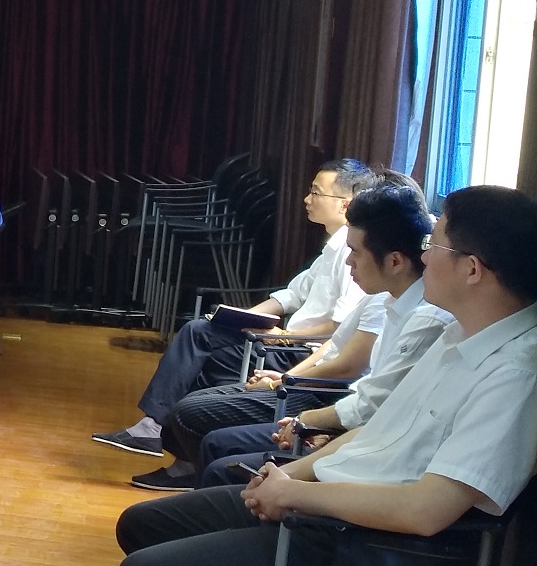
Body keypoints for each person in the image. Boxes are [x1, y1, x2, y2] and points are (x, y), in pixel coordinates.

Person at [114, 185, 537, 566]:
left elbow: (427, 511)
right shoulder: (462, 335)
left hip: (380, 557)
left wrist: (297, 498)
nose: (424, 254)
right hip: (337, 515)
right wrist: (293, 476)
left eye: (435, 243)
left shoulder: (516, 373)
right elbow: (374, 433)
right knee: (145, 525)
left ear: (473, 269)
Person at [133, 180, 433, 492]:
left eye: (355, 253)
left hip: (324, 387)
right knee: (200, 355)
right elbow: (315, 320)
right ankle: (171, 449)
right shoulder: (386, 297)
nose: (349, 261)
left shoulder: (425, 319)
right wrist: (255, 331)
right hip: (318, 385)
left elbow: (359, 388)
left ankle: (205, 484)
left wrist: (298, 404)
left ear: (395, 261)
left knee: (206, 431)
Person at [92, 159, 376, 459]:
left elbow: (337, 327)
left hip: (298, 350)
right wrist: (243, 316)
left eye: (316, 193)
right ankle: (168, 439)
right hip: (284, 341)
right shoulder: (332, 248)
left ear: (345, 204)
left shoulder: (351, 254)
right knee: (202, 335)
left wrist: (285, 335)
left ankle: (163, 436)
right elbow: (291, 295)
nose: (307, 199)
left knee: (201, 340)